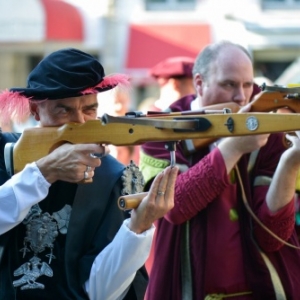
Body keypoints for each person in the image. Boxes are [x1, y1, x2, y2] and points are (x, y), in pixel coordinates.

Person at [0, 48, 179, 300]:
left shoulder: (112, 176)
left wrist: (139, 226)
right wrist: (43, 173)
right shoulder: (6, 154)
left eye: (89, 110)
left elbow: (100, 292)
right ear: (35, 110)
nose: (80, 123)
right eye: (64, 111)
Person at [140, 41, 300, 299]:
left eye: (248, 84)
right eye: (229, 84)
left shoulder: (267, 124)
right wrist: (234, 147)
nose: (241, 97)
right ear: (199, 83)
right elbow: (174, 207)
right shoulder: (159, 128)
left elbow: (273, 236)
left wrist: (292, 160)